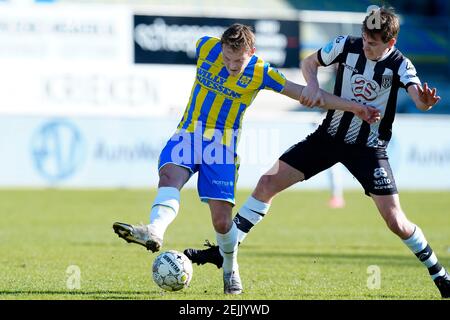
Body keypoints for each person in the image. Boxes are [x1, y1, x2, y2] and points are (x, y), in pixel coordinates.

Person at [184, 8, 450, 298]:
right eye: (364, 38)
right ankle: (225, 252)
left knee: (395, 221)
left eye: (373, 43)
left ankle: (439, 275)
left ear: (391, 43)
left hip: (368, 149)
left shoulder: (401, 64)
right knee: (266, 183)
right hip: (327, 138)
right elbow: (310, 62)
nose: (365, 45)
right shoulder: (344, 45)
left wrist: (424, 103)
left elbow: (418, 97)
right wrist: (312, 84)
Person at [113, 23, 379, 295]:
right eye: (227, 58)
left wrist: (356, 107)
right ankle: (154, 231)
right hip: (188, 135)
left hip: (221, 147)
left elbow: (305, 94)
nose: (230, 64)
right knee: (169, 176)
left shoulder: (261, 71)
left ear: (251, 52)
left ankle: (230, 268)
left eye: (237, 60)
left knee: (221, 222)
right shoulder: (206, 46)